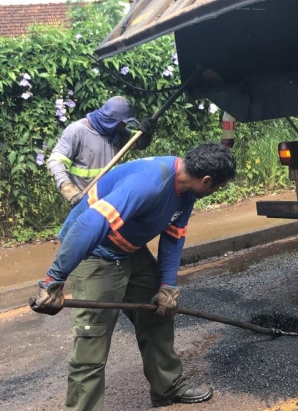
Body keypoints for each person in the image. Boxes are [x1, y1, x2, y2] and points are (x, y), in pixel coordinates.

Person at [31, 142, 236, 410]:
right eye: (218, 187)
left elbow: (174, 238)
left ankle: (167, 387)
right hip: (96, 252)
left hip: (130, 251)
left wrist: (167, 286)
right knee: (92, 337)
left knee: (158, 312)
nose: (217, 192)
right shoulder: (148, 183)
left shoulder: (186, 190)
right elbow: (89, 224)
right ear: (206, 181)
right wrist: (53, 280)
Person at [48, 96, 156, 206]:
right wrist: (70, 191)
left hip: (110, 202)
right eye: (122, 123)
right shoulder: (76, 131)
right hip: (85, 203)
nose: (124, 127)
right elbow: (55, 161)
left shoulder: (116, 132)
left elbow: (139, 143)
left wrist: (146, 134)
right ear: (111, 121)